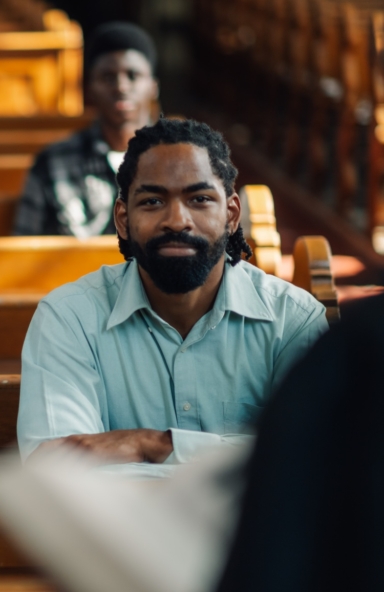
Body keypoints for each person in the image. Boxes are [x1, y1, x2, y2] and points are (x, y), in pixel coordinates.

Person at [89, 292, 384, 592]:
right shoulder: (361, 343)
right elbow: (61, 451)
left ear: (232, 224)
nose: (179, 224)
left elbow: (282, 529)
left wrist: (162, 446)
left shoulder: (357, 342)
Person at [17, 118, 328, 469]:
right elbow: (56, 469)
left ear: (231, 214)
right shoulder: (69, 318)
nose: (177, 220)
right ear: (123, 219)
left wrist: (152, 445)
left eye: (199, 199)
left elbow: (316, 464)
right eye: (152, 201)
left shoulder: (293, 321)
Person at [13, 22, 160, 237]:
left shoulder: (179, 159)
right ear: (89, 89)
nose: (120, 87)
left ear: (153, 86)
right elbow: (23, 250)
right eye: (108, 77)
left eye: (132, 76)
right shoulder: (53, 162)